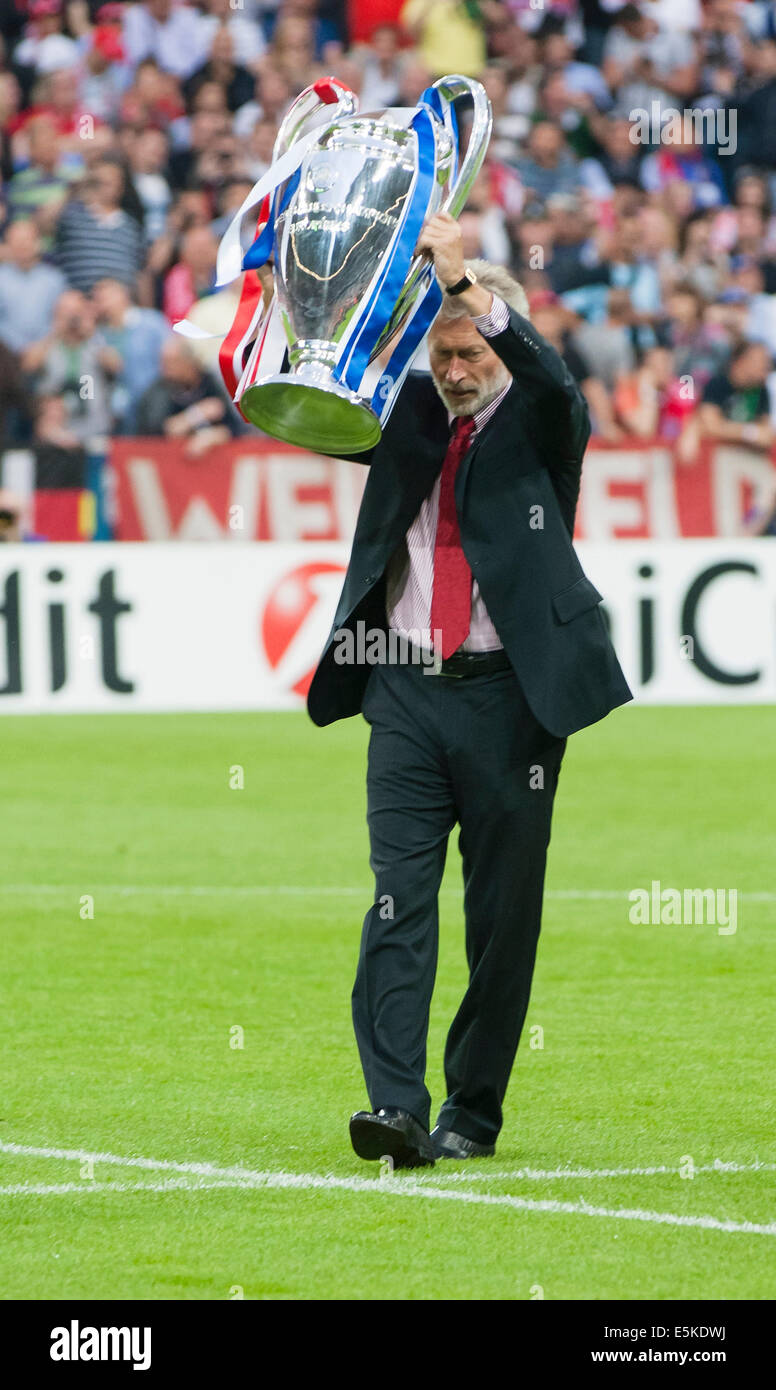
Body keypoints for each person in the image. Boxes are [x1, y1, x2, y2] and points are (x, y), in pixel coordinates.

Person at [305, 214, 633, 1168]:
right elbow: (310, 405)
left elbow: (557, 386)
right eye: (440, 354)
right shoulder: (407, 416)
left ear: (496, 341)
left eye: (465, 352)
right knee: (397, 900)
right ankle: (397, 1111)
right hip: (404, 693)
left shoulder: (541, 426)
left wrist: (467, 291)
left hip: (511, 700)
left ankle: (472, 1113)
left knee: (500, 918)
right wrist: (273, 318)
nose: (451, 370)